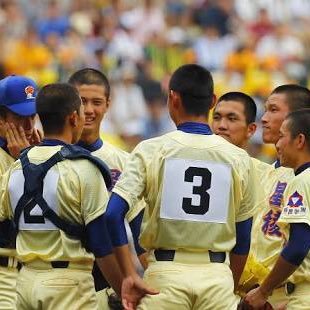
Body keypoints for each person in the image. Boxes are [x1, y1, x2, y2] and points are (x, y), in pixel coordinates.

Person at [105, 64, 258, 309]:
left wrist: (130, 275)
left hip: (165, 277)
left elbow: (112, 214)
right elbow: (243, 238)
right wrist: (228, 282)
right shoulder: (240, 158)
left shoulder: (151, 149)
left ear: (173, 98)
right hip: (217, 276)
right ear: (212, 102)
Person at [0, 83, 122, 309]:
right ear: (74, 118)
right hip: (66, 282)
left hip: (25, 279)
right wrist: (123, 288)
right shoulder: (83, 166)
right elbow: (101, 243)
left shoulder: (16, 168)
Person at [68, 68, 146, 309]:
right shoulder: (47, 156)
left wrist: (154, 276)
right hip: (60, 279)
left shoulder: (123, 161)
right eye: (82, 102)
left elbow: (138, 224)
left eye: (97, 102)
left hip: (106, 283)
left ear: (108, 104)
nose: (89, 110)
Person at [238, 85, 310, 307]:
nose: (264, 118)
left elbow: (298, 244)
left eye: (273, 110)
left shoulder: (300, 177)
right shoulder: (270, 171)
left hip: (289, 292)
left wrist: (266, 290)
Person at [0, 75, 41, 309]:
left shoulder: (32, 154)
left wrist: (39, 164)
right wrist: (25, 163)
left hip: (31, 273)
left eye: (32, 117)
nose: (28, 126)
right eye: (19, 117)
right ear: (0, 119)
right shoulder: (21, 157)